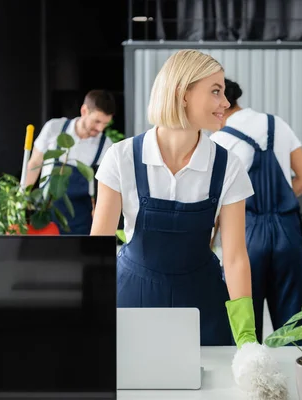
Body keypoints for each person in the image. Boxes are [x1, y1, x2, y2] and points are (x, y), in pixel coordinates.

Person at [90, 50, 259, 349]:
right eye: (216, 91)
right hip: (132, 300)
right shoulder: (122, 158)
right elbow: (98, 248)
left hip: (202, 303)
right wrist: (89, 315)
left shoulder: (227, 166)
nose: (226, 103)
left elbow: (234, 258)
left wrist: (246, 336)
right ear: (183, 94)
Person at [210, 78, 302, 343]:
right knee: (295, 325)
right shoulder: (276, 123)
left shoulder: (219, 140)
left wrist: (208, 246)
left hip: (246, 234)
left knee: (245, 322)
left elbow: (216, 206)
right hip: (288, 232)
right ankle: (301, 380)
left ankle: (249, 376)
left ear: (222, 105)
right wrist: (278, 203)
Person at [25, 89, 117, 235]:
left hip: (81, 219)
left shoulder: (106, 145)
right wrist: (20, 198)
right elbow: (34, 164)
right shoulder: (55, 128)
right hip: (46, 213)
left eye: (105, 124)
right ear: (84, 110)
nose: (100, 128)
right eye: (97, 121)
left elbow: (102, 187)